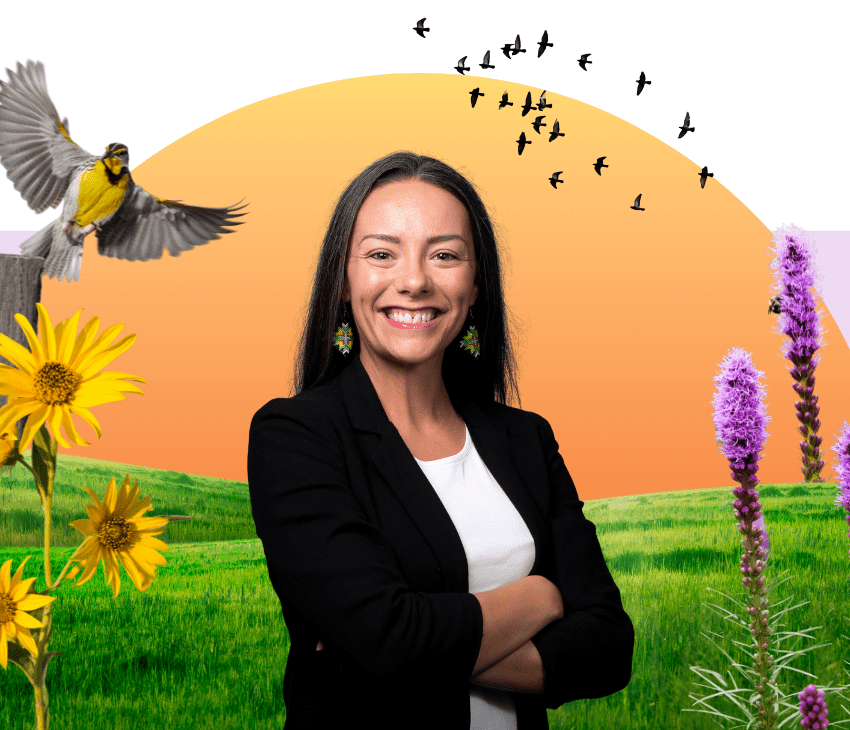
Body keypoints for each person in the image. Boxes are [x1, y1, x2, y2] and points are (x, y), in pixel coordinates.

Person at [248, 152, 634, 730]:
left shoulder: (527, 440)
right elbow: (390, 642)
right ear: (343, 277)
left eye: (445, 255)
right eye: (381, 254)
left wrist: (389, 646)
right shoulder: (296, 436)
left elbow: (607, 649)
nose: (413, 281)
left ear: (475, 285)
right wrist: (542, 598)